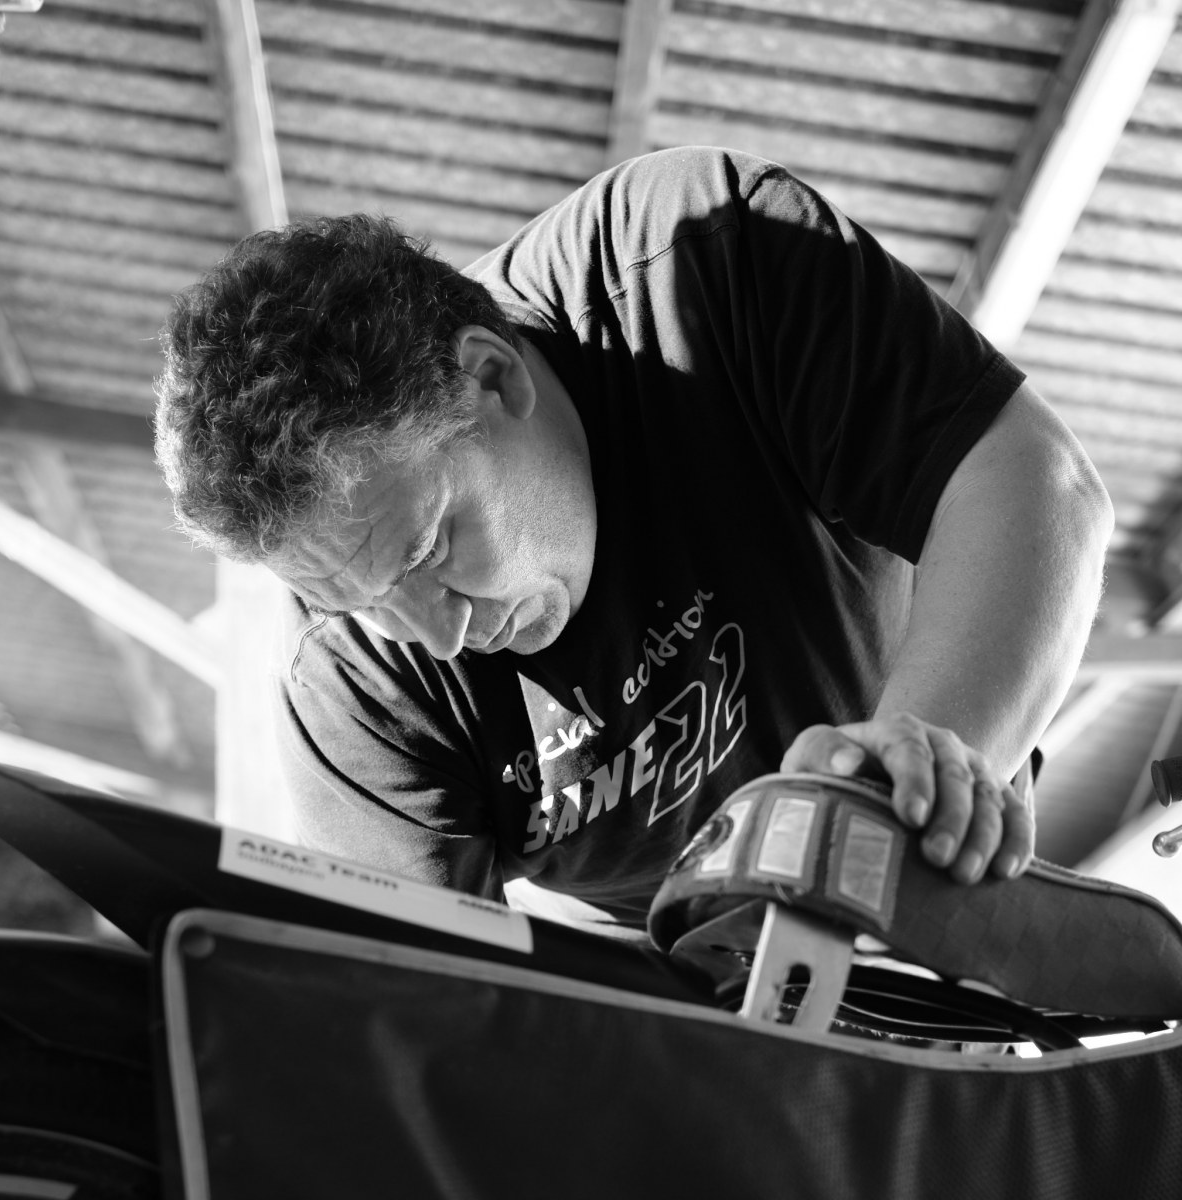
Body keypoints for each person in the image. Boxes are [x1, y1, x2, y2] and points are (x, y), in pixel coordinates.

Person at [155, 146, 1112, 939]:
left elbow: (1037, 485)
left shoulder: (696, 265)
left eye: (429, 551)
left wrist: (928, 758)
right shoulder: (346, 684)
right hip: (677, 979)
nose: (437, 638)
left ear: (493, 378)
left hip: (938, 845)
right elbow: (424, 1003)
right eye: (364, 603)